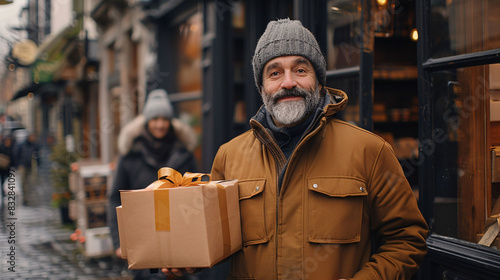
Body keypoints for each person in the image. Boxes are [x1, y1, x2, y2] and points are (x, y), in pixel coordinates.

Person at [164, 18, 428, 279]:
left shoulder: (370, 150)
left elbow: (406, 240)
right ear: (262, 86)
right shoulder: (229, 156)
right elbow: (216, 239)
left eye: (300, 70)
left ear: (319, 80)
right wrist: (190, 258)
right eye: (275, 72)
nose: (288, 82)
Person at [108, 89, 200, 280]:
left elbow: (197, 194)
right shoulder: (130, 155)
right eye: (155, 119)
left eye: (165, 119)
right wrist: (119, 242)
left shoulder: (183, 153)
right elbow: (115, 199)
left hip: (180, 238)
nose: (160, 125)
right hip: (143, 240)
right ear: (147, 121)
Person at [14, 132, 39, 205]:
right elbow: (17, 154)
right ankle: (25, 197)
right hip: (23, 165)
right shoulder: (22, 145)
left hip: (30, 166)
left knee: (29, 181)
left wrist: (37, 164)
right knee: (23, 181)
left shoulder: (34, 145)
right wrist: (18, 164)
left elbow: (37, 156)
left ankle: (27, 196)